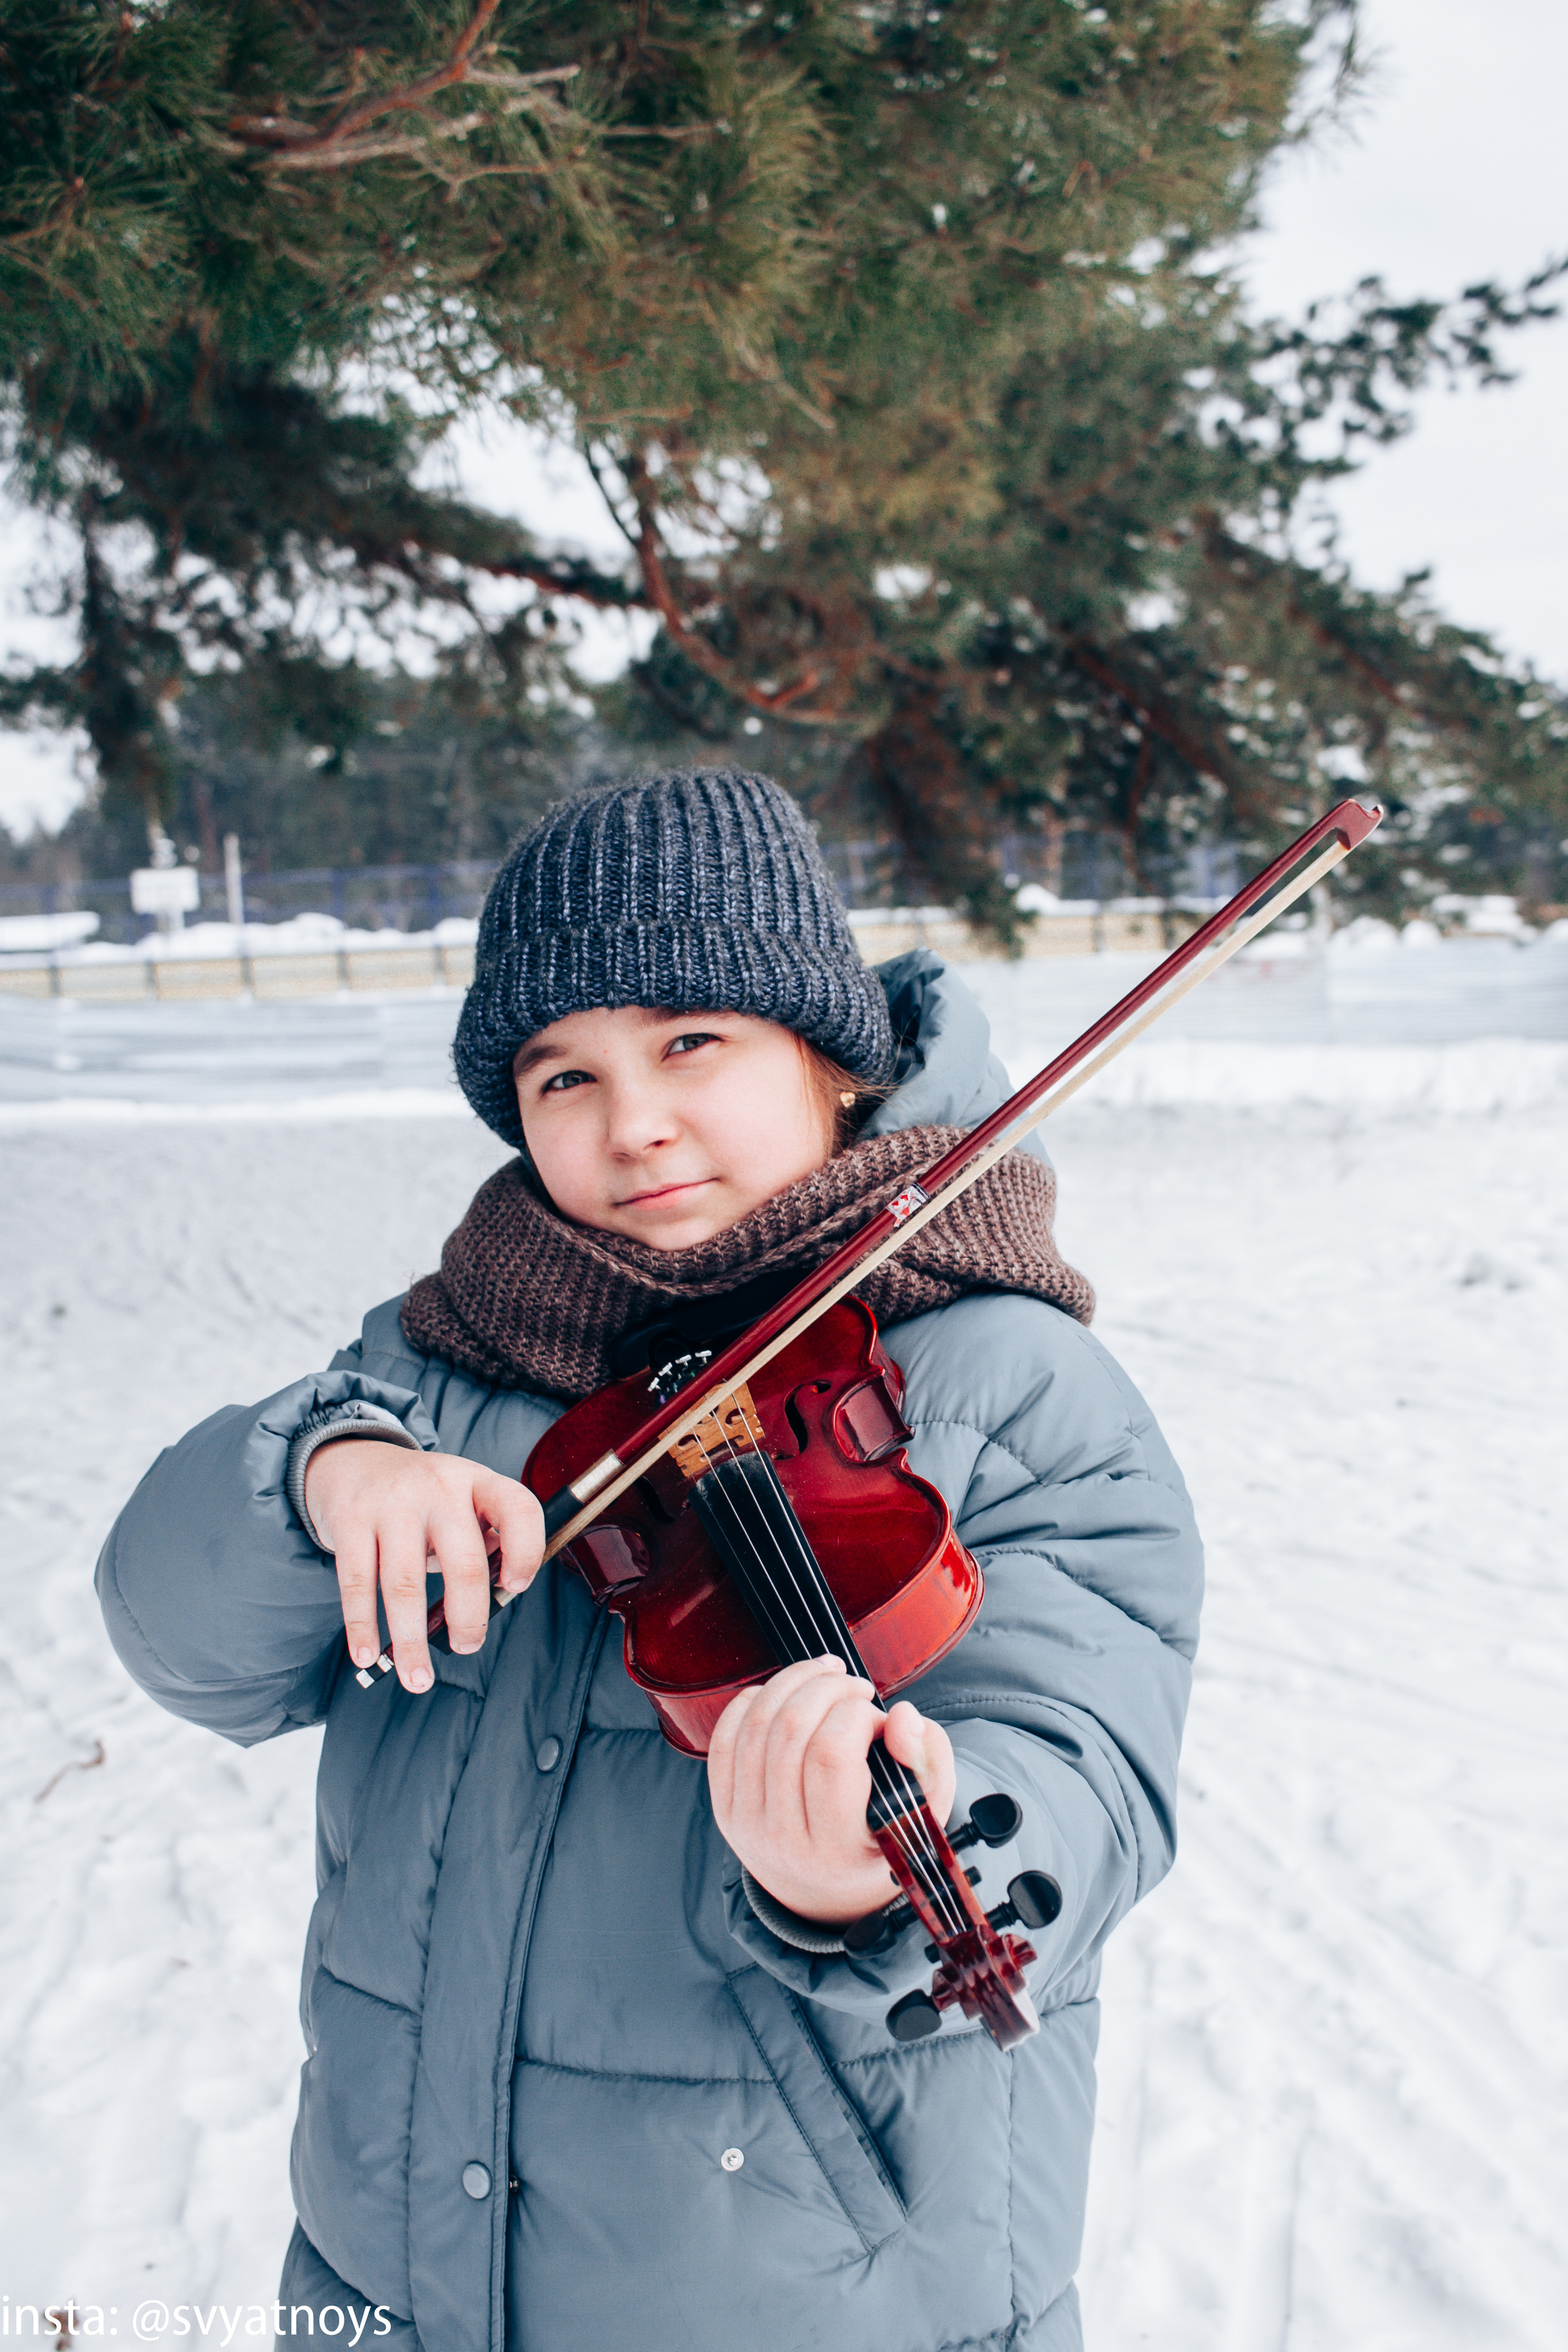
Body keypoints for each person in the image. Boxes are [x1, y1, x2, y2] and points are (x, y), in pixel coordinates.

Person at [96, 769, 1202, 2352]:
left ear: (829, 1061)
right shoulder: (442, 1372)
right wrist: (321, 1474)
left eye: (693, 1043)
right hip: (395, 2281)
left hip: (811, 2299)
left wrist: (875, 1879)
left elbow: (1084, 1767)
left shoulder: (1002, 1383)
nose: (633, 1125)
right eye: (562, 1078)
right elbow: (177, 1639)